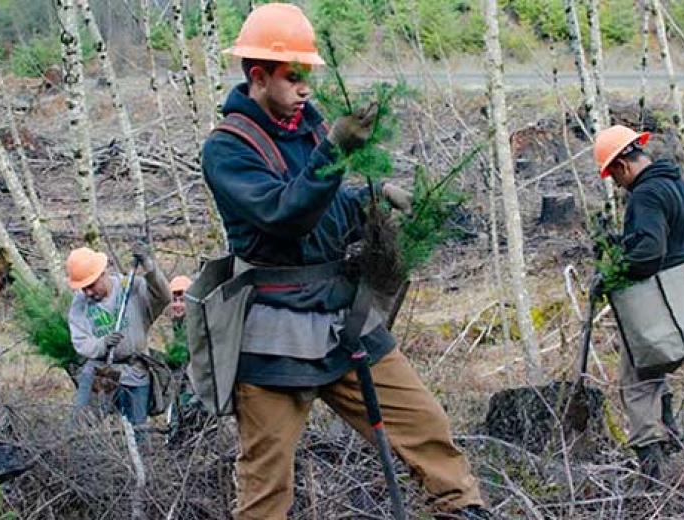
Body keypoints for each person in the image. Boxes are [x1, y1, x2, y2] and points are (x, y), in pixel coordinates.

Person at [200, 4, 492, 519]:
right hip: (274, 332)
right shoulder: (227, 149)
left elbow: (323, 204)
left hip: (345, 319)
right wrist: (334, 153)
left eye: (308, 74)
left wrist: (370, 200)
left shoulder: (309, 130)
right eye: (293, 75)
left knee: (428, 433)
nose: (305, 86)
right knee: (265, 490)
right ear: (259, 76)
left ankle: (464, 511)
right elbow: (285, 214)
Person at [594, 125, 684, 480]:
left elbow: (649, 253)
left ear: (623, 166)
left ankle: (652, 473)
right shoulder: (678, 186)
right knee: (653, 368)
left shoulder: (646, 195)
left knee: (636, 380)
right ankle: (673, 442)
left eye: (615, 177)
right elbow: (668, 241)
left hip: (659, 299)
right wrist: (623, 241)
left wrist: (608, 277)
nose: (618, 184)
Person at [66, 246, 170, 427]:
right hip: (101, 371)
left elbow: (163, 296)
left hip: (136, 371)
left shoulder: (131, 288)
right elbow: (81, 341)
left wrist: (150, 268)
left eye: (91, 285)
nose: (88, 292)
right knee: (83, 425)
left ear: (103, 273)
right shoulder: (80, 304)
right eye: (83, 288)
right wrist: (102, 344)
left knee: (138, 429)